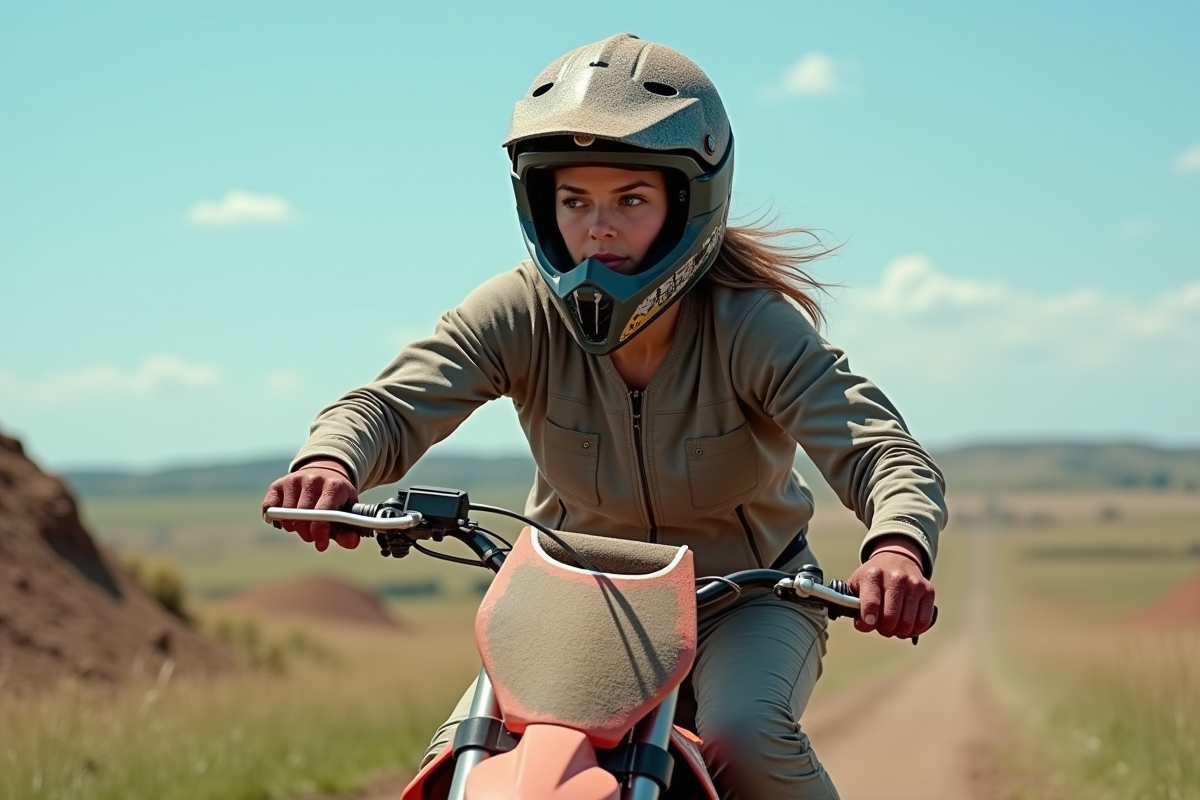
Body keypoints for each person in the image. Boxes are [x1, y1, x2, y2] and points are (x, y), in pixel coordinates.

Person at [262, 33, 946, 800]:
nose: (598, 227)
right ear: (542, 206)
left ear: (689, 202)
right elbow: (394, 400)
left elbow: (878, 447)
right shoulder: (523, 308)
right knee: (462, 760)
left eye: (631, 199)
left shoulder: (753, 324)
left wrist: (898, 545)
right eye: (574, 200)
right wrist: (330, 462)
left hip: (744, 597)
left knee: (744, 736)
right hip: (573, 595)